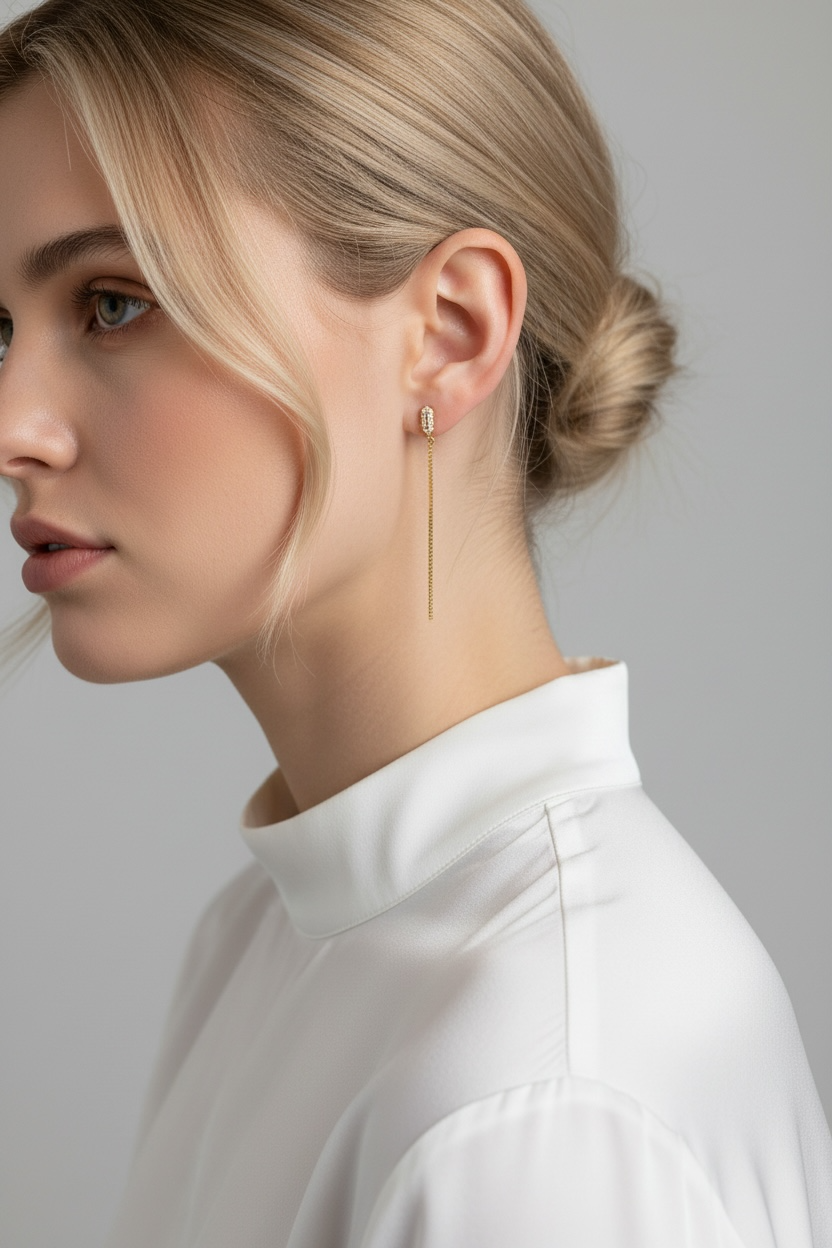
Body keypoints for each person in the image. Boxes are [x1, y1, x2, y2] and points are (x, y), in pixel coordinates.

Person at [1, 0, 830, 1244]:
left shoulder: (537, 1107)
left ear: (449, 333)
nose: (16, 426)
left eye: (115, 303)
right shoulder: (267, 936)